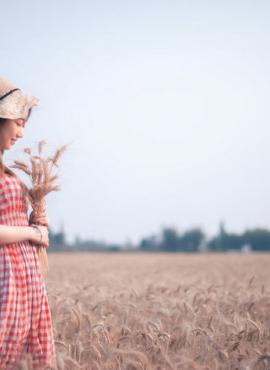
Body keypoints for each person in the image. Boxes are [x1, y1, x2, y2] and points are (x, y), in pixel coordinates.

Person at [0, 77, 57, 369]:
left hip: (26, 278)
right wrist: (33, 232)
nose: (22, 133)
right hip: (5, 279)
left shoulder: (8, 172)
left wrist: (37, 220)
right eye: (19, 123)